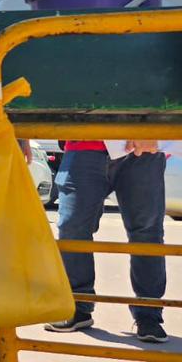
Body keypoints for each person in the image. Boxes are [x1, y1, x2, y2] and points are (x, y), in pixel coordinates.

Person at [44, 140, 167, 342]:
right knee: (71, 227)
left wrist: (162, 137)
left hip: (142, 146)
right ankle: (78, 305)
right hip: (85, 144)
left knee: (147, 233)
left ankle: (149, 315)